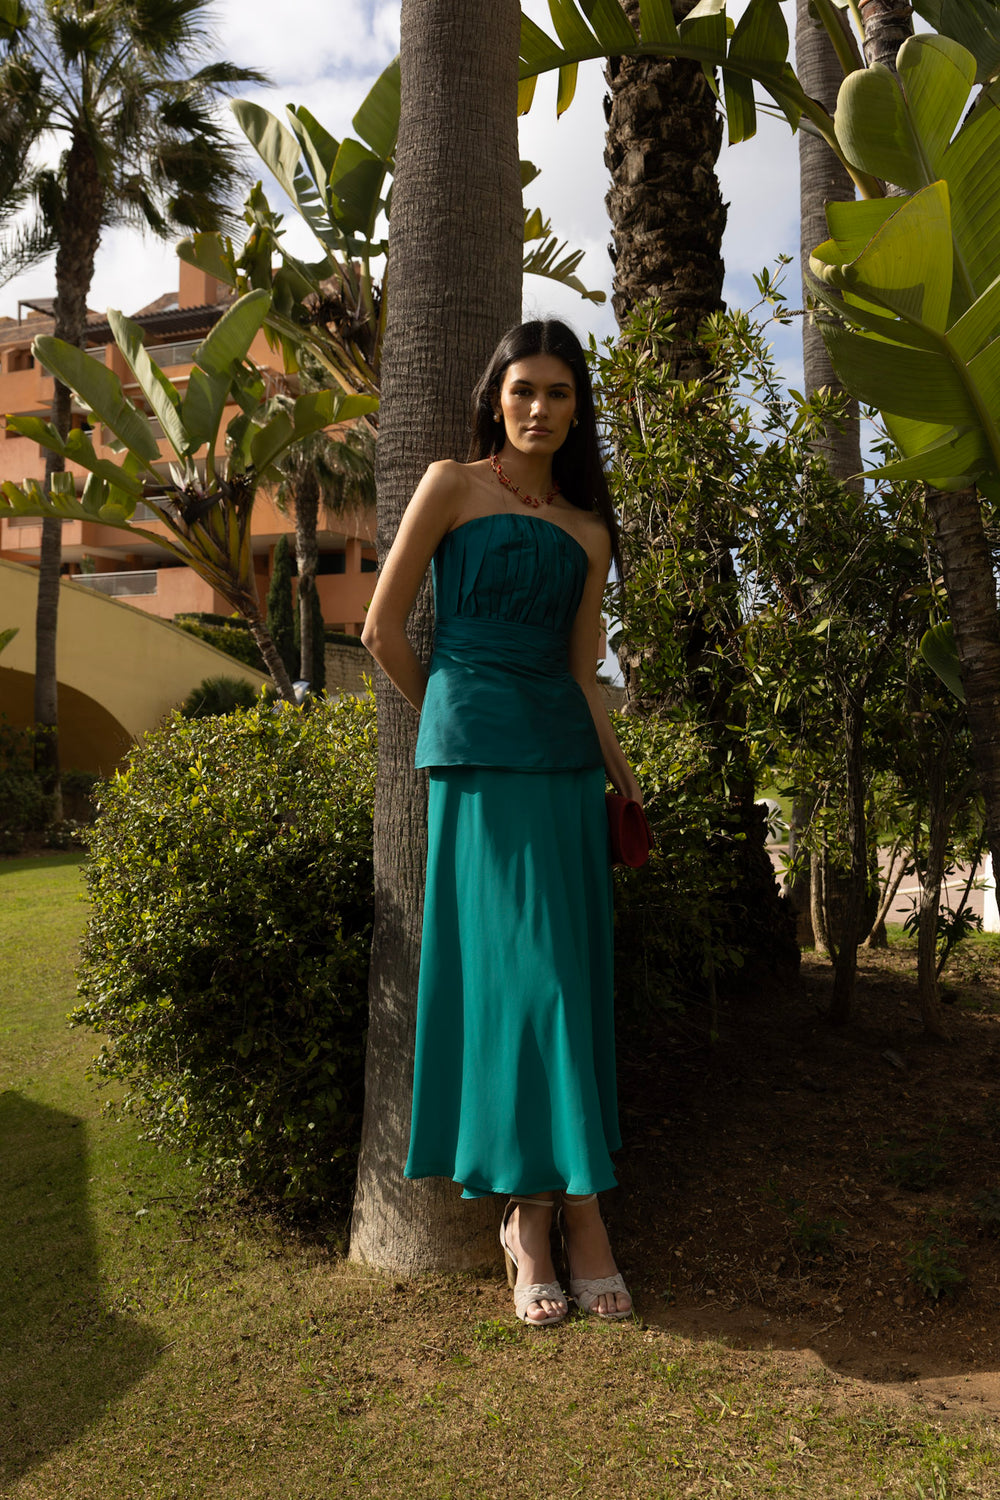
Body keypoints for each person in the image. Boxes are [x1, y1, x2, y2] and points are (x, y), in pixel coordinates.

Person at [362, 319, 642, 1327]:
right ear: (494, 398)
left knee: (564, 980)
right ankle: (546, 1218)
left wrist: (622, 773)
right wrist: (455, 713)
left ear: (577, 411)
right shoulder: (449, 484)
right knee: (526, 983)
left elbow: (583, 672)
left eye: (559, 393)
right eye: (523, 389)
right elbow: (380, 629)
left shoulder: (589, 531)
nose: (538, 408)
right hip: (482, 762)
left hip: (564, 763)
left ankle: (560, 1216)